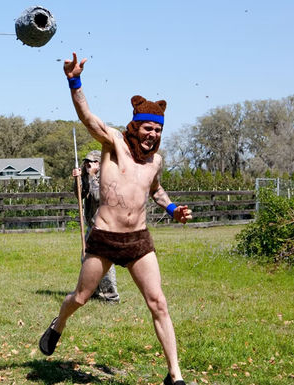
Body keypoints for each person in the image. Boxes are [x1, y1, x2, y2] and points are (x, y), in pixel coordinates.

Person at [39, 53, 193, 385]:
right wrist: (74, 80)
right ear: (135, 125)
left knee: (158, 303)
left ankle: (175, 375)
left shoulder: (155, 161)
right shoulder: (113, 143)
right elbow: (87, 117)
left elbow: (156, 190)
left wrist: (173, 210)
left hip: (138, 240)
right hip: (105, 238)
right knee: (80, 298)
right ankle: (58, 324)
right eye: (148, 127)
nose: (153, 134)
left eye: (158, 130)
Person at [73, 150, 120, 303]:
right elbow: (80, 195)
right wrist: (77, 180)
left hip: (105, 227)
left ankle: (111, 296)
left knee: (104, 263)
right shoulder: (87, 176)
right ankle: (93, 291)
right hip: (92, 226)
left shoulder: (108, 177)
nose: (89, 164)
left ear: (100, 163)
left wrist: (92, 177)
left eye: (92, 162)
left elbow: (98, 196)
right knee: (86, 259)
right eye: (87, 161)